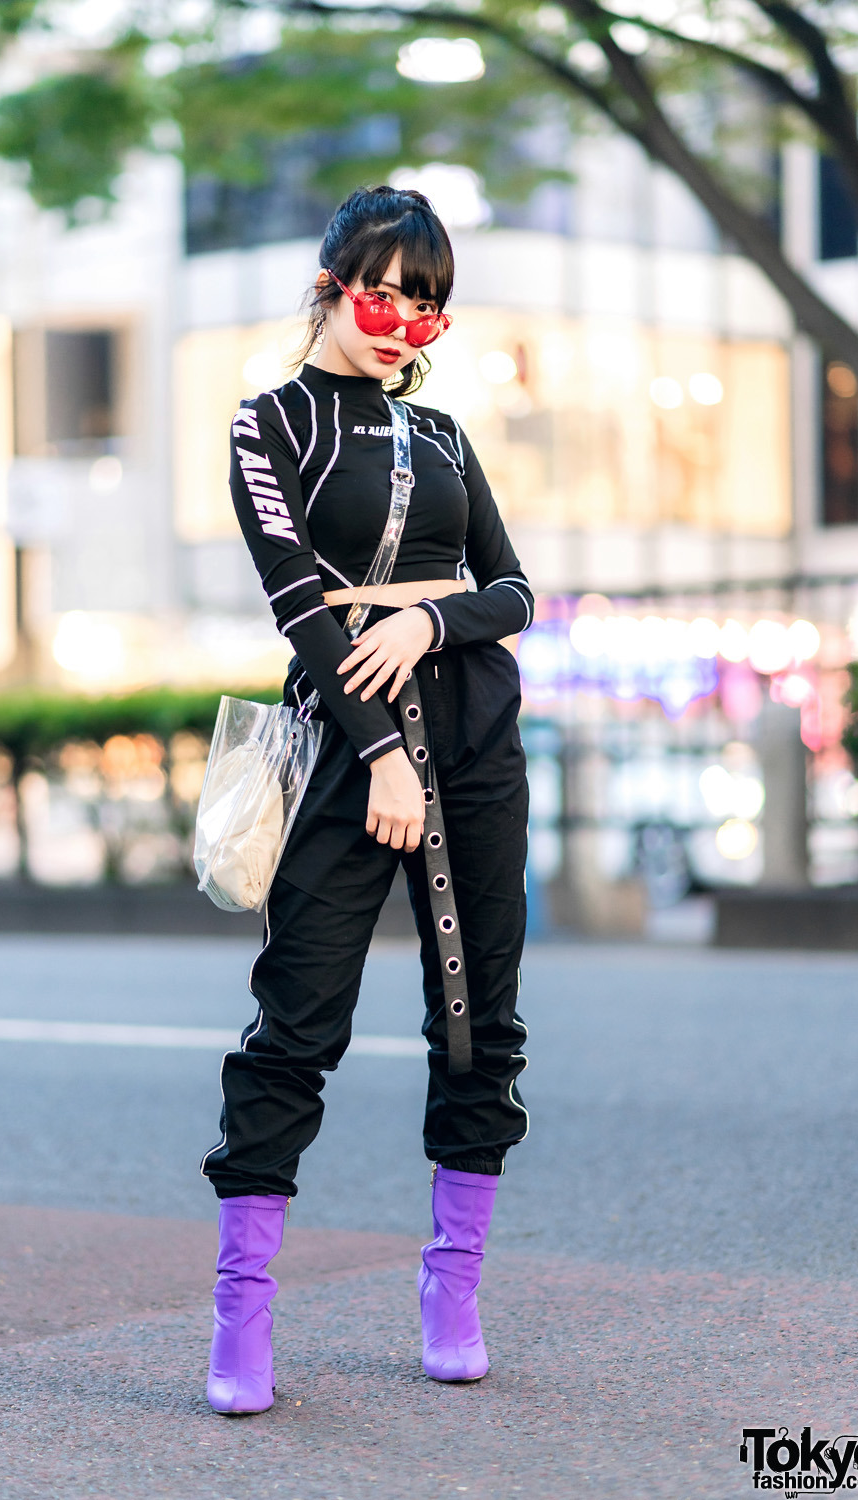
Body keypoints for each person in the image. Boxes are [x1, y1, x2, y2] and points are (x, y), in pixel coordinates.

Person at [201, 185, 533, 1414]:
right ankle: (242, 1315)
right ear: (333, 280)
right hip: (345, 747)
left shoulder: (445, 437)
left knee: (477, 1024)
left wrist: (427, 615)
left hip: (476, 737)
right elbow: (294, 598)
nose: (402, 323)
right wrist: (382, 755)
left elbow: (513, 592)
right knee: (298, 1021)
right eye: (383, 292)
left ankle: (453, 1286)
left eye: (429, 308)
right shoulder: (267, 424)